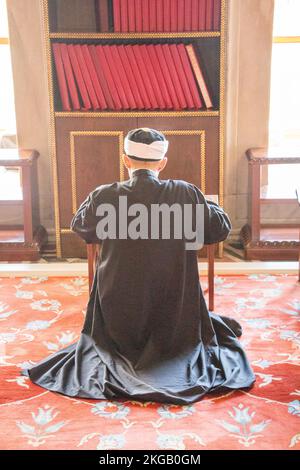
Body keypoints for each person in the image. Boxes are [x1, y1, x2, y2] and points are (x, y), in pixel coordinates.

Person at [21, 128, 255, 404]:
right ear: (163, 162)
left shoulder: (105, 195)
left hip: (119, 309)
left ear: (125, 160)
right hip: (173, 306)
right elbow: (219, 229)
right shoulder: (185, 193)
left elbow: (81, 227)